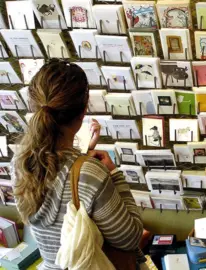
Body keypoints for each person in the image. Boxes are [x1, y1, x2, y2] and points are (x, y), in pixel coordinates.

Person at [12, 60, 146, 270]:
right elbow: (129, 237)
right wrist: (114, 173)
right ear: (83, 111)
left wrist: (82, 156)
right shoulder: (91, 173)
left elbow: (60, 182)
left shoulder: (20, 162)